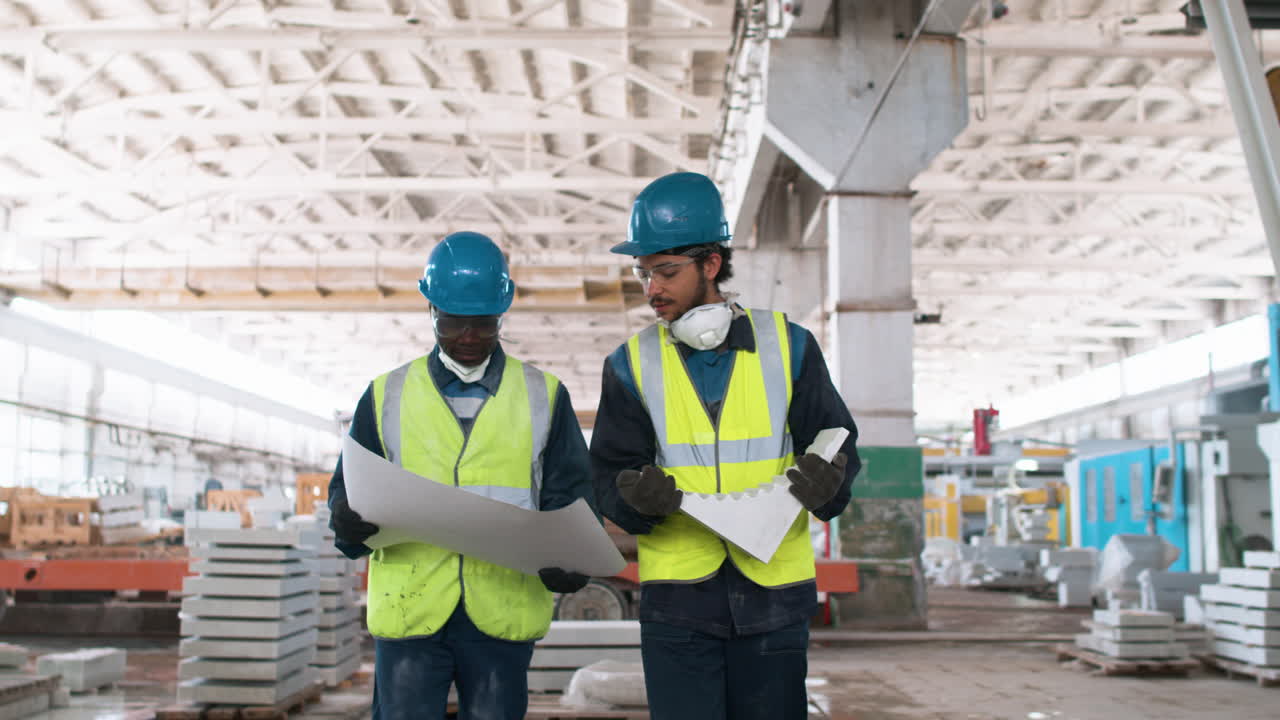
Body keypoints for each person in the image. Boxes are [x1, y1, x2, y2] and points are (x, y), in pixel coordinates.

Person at [590, 172, 861, 720]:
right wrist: (634, 499)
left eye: (667, 271)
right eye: (644, 273)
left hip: (774, 598)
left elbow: (838, 447)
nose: (653, 290)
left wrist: (830, 485)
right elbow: (609, 475)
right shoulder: (630, 365)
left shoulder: (789, 347)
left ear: (711, 264)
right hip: (678, 603)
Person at [326, 231, 594, 720]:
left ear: (501, 315)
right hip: (412, 609)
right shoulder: (386, 394)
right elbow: (347, 488)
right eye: (452, 323)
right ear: (430, 311)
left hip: (501, 610)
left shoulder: (544, 395)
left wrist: (571, 557)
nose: (468, 337)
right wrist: (344, 521)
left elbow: (571, 498)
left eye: (483, 323)